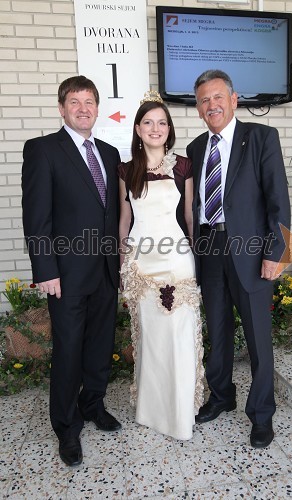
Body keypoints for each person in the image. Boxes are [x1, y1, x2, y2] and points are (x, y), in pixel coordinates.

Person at [187, 69, 291, 448]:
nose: (211, 105)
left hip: (251, 254)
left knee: (259, 340)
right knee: (218, 331)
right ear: (198, 109)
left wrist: (276, 255)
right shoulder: (197, 148)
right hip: (210, 250)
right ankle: (222, 396)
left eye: (217, 97)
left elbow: (279, 200)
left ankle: (262, 414)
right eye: (203, 100)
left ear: (234, 99)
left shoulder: (262, 137)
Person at [22, 75, 122, 466]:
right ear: (61, 108)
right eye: (75, 102)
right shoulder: (43, 150)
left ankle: (93, 405)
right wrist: (45, 269)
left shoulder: (110, 154)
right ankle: (66, 426)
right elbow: (37, 217)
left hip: (105, 272)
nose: (83, 108)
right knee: (68, 351)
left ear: (97, 108)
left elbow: (112, 214)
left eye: (89, 102)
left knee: (99, 346)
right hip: (64, 274)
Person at [118, 90, 204, 440]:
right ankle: (151, 411)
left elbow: (189, 216)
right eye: (149, 123)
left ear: (169, 129)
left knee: (180, 335)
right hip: (141, 263)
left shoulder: (183, 165)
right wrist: (122, 261)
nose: (156, 128)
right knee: (151, 337)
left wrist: (198, 257)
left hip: (176, 258)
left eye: (162, 123)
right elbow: (124, 218)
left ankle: (181, 413)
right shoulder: (125, 169)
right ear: (138, 129)